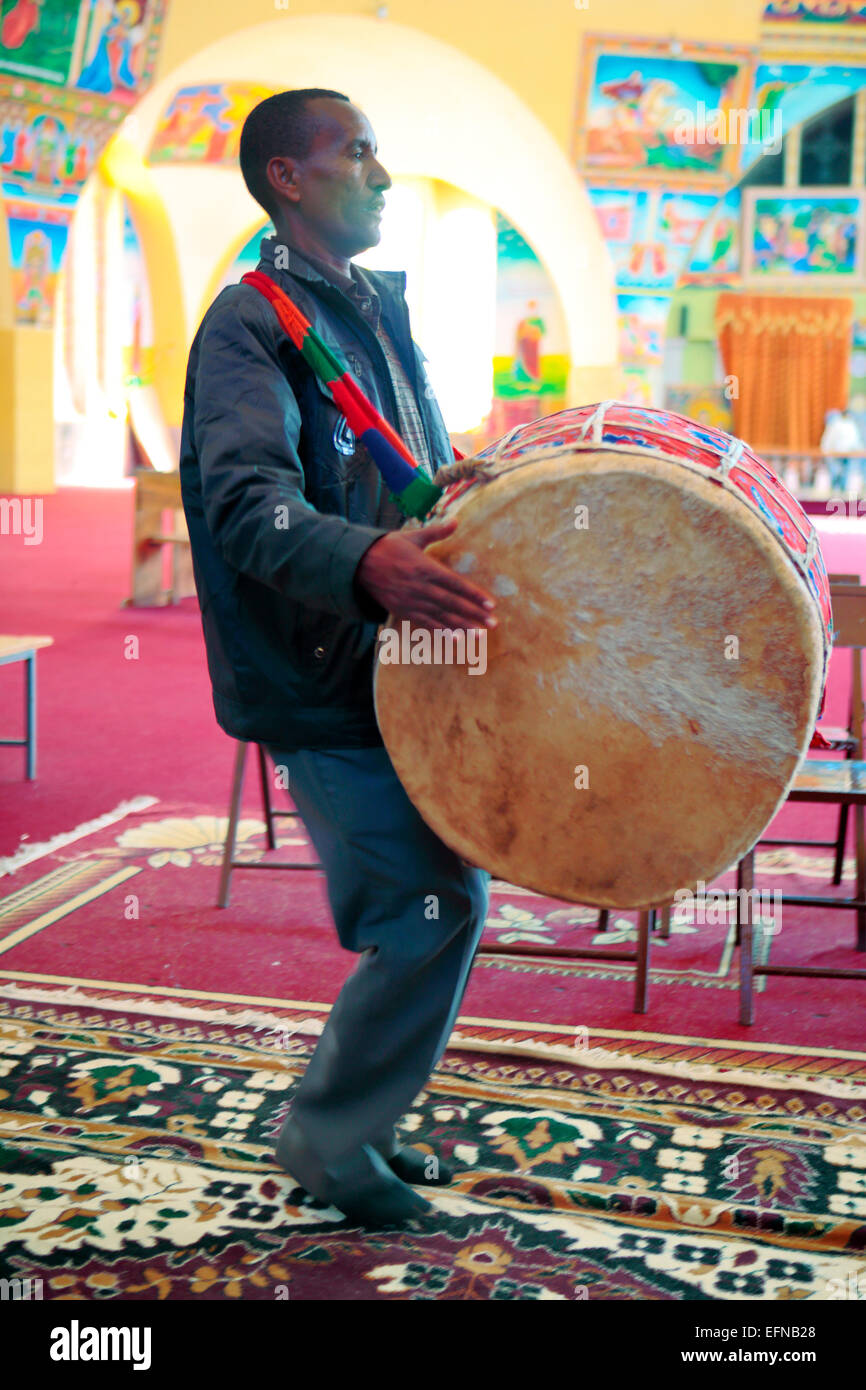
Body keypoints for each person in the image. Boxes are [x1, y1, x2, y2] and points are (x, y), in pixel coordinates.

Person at [179, 89, 497, 1227]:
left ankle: (362, 1120)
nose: (381, 172)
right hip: (321, 668)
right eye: (356, 151)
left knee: (451, 894)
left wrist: (463, 487)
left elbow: (403, 467)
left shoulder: (369, 311)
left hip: (395, 657)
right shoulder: (246, 323)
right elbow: (245, 507)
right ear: (288, 179)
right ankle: (329, 1138)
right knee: (424, 905)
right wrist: (367, 563)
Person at [820, 406, 863, 494]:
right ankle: (835, 490)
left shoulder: (851, 424)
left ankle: (844, 490)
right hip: (836, 454)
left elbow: (855, 440)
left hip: (848, 454)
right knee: (836, 473)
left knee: (847, 473)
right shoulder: (836, 424)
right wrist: (825, 450)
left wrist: (859, 450)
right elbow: (828, 439)